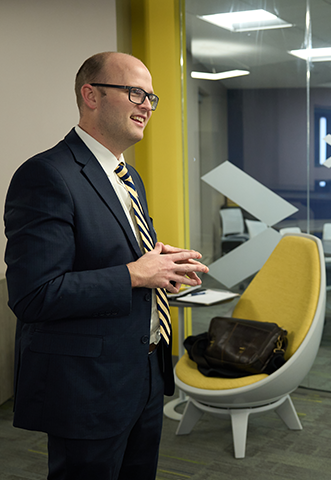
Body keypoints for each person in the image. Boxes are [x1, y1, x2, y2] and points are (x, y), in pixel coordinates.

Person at [4, 52, 210, 479]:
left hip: (146, 372)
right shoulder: (46, 175)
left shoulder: (128, 176)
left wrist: (162, 268)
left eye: (152, 97)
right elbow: (33, 295)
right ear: (90, 95)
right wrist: (136, 274)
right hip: (89, 384)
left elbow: (117, 259)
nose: (147, 105)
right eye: (135, 92)